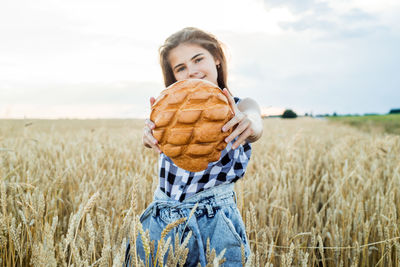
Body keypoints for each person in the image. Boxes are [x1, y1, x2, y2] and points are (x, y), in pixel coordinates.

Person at [124, 27, 263, 266]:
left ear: (216, 59)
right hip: (163, 217)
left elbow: (255, 124)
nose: (192, 71)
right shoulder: (170, 112)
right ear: (174, 76)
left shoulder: (240, 107)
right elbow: (150, 134)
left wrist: (250, 123)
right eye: (181, 68)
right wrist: (148, 135)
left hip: (214, 220)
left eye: (198, 59)